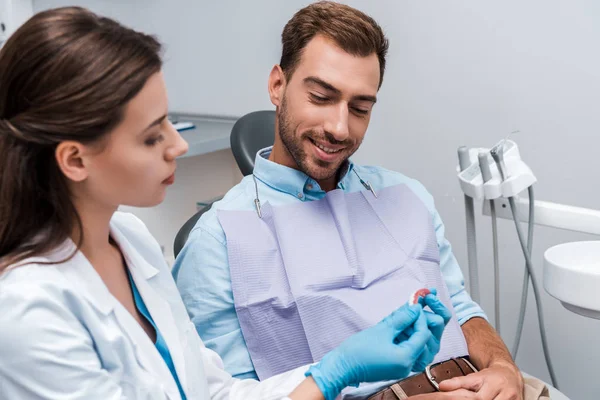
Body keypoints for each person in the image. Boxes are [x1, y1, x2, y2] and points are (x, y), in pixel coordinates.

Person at [0, 7, 451, 400]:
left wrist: (337, 370)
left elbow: (214, 392)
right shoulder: (27, 313)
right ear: (75, 159)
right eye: (153, 133)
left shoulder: (130, 241)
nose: (177, 145)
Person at [173, 2, 529, 399]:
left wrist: (503, 367)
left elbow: (461, 308)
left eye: (360, 108)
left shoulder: (405, 196)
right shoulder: (218, 240)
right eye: (321, 97)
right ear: (277, 86)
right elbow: (224, 393)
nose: (340, 128)